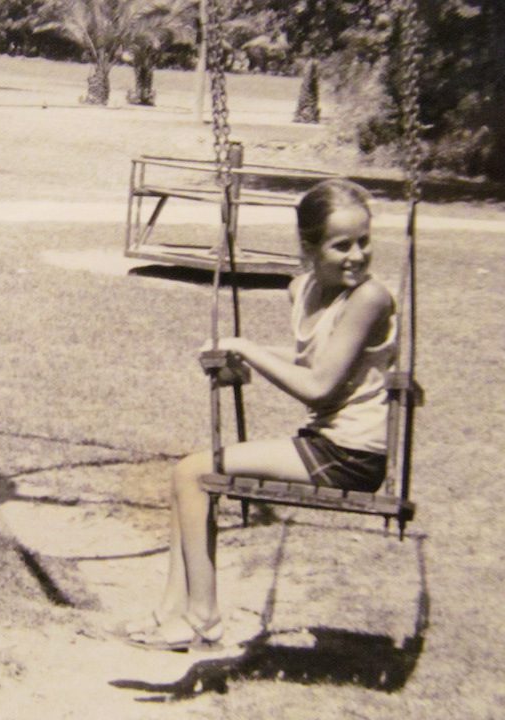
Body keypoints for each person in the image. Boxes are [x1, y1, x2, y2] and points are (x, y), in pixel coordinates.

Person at [120, 178, 396, 651]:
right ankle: (170, 612)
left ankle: (202, 619)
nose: (357, 256)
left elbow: (318, 385)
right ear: (309, 248)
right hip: (323, 442)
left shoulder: (369, 298)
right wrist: (242, 357)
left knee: (191, 473)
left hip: (350, 455)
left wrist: (245, 346)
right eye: (341, 245)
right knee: (186, 477)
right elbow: (310, 361)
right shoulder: (303, 289)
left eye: (364, 242)